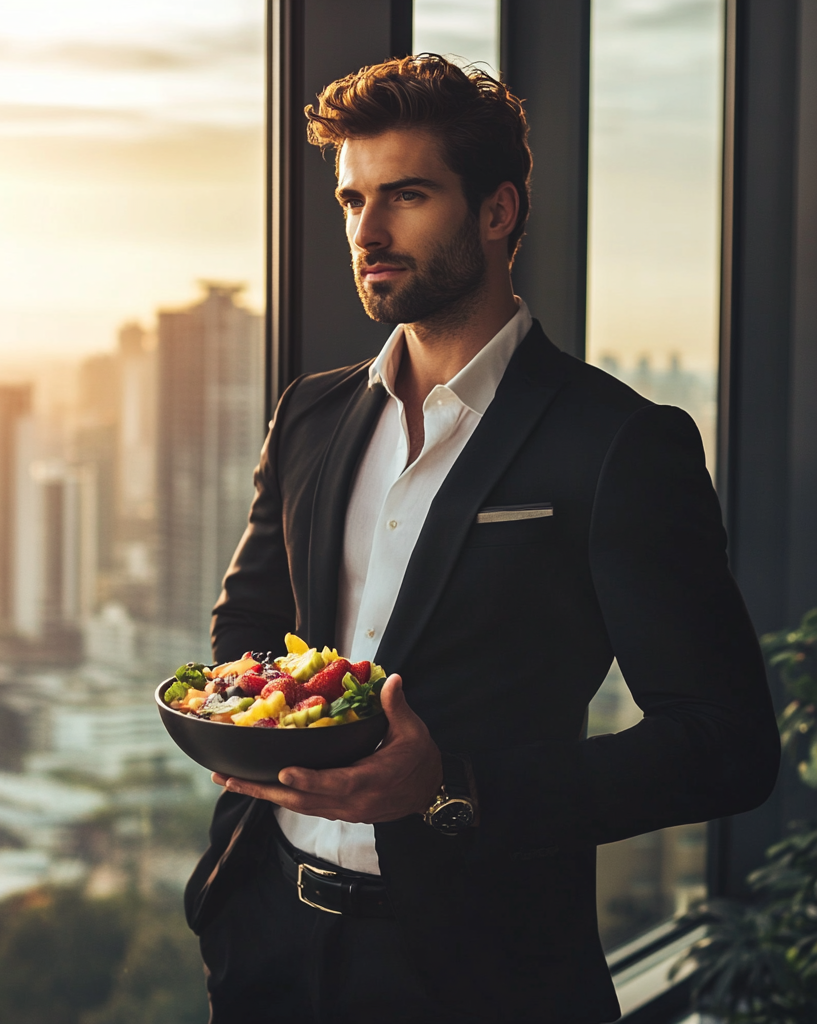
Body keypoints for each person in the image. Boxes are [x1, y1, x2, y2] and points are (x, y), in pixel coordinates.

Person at [184, 55, 780, 1024]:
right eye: (352, 199)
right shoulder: (311, 413)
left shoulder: (618, 442)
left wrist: (447, 787)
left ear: (497, 211)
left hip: (482, 969)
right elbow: (249, 620)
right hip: (269, 937)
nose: (367, 233)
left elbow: (724, 746)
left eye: (406, 196)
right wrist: (254, 734)